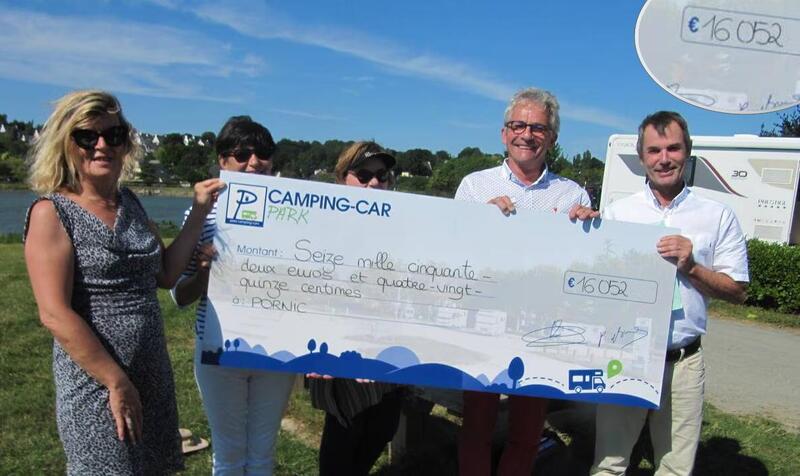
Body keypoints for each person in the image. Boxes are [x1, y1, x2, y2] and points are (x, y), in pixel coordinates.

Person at [23, 90, 224, 474]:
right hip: (97, 382)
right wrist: (116, 382)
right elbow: (54, 313)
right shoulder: (52, 212)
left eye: (113, 135)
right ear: (66, 142)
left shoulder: (130, 203)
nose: (102, 145)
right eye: (87, 136)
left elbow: (165, 274)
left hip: (151, 375)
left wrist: (200, 212)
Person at [570, 111, 749, 475]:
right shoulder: (618, 214)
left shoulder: (717, 215)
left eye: (673, 148)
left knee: (675, 468)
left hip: (683, 363)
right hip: (628, 355)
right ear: (641, 156)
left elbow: (737, 292)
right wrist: (582, 232)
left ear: (688, 151)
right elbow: (592, 277)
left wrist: (692, 266)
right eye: (654, 150)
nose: (664, 159)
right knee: (608, 464)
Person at [454, 87, 591, 476]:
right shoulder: (474, 186)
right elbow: (450, 252)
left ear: (552, 138)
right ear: (504, 133)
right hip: (483, 321)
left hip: (541, 327)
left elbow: (583, 264)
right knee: (476, 427)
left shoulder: (572, 194)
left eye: (538, 128)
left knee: (527, 433)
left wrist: (591, 230)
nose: (526, 135)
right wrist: (477, 220)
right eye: (518, 126)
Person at [171, 116, 295, 475]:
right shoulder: (198, 214)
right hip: (219, 349)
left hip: (277, 348)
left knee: (262, 453)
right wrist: (205, 273)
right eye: (241, 154)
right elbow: (179, 295)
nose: (254, 162)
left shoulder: (294, 215)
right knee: (228, 454)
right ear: (222, 161)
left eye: (263, 153)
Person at [308, 141, 405, 476]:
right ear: (342, 179)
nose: (374, 183)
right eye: (363, 175)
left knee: (383, 426)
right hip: (339, 349)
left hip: (387, 350)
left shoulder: (404, 226)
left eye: (382, 176)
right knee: (345, 432)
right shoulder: (321, 226)